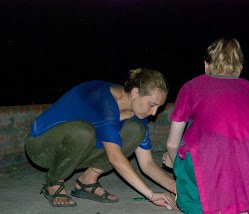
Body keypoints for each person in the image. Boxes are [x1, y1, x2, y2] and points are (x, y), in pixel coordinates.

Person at [162, 37, 249, 213]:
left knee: (191, 137)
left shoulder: (191, 87)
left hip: (210, 163)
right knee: (240, 145)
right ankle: (240, 202)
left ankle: (203, 203)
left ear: (206, 65)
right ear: (240, 68)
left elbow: (172, 143)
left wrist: (175, 162)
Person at [25, 68, 177, 210]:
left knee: (136, 130)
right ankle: (54, 182)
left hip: (78, 153)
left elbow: (147, 163)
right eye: (152, 105)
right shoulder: (103, 99)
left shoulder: (137, 112)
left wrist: (176, 187)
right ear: (136, 92)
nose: (154, 113)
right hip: (41, 146)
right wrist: (150, 195)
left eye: (158, 107)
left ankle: (87, 182)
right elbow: (115, 158)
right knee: (84, 132)